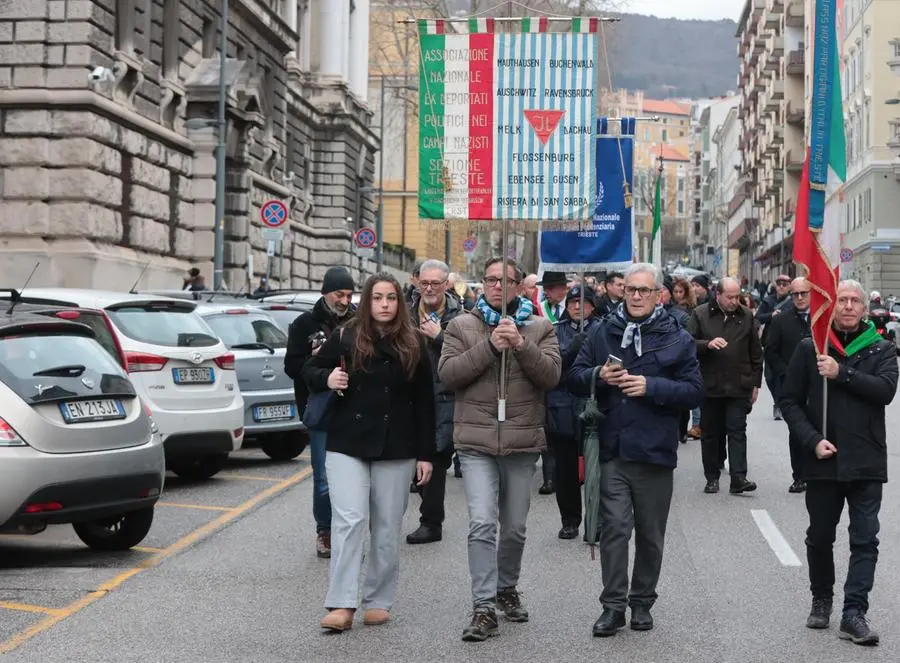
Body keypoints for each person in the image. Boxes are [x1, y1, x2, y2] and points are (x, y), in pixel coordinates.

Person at [569, 263, 702, 637]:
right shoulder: (602, 331)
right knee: (613, 530)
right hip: (613, 448)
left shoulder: (677, 336)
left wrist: (652, 386)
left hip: (656, 450)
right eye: (631, 290)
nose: (637, 296)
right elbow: (574, 378)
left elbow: (693, 390)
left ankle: (641, 601)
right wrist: (598, 376)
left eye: (645, 290)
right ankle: (612, 606)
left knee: (650, 533)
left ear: (659, 294)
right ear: (622, 292)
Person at [303, 273, 436, 632]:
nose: (384, 305)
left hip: (397, 446)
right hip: (348, 442)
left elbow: (426, 404)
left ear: (399, 303)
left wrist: (427, 454)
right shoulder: (346, 335)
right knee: (349, 522)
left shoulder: (414, 343)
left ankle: (378, 600)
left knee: (387, 526)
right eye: (377, 298)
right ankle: (342, 603)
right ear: (367, 301)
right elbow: (309, 369)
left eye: (390, 298)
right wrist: (328, 378)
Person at [439, 257, 561, 642]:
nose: (495, 286)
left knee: (515, 527)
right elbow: (448, 375)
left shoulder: (540, 327)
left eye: (504, 280)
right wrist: (490, 347)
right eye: (490, 279)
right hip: (475, 442)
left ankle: (506, 587)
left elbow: (551, 377)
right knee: (480, 523)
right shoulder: (461, 326)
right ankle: (483, 606)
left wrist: (521, 345)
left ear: (518, 286)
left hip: (522, 441)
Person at [781, 280, 898, 646]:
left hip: (865, 460)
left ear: (864, 309)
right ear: (830, 308)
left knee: (865, 540)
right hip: (823, 461)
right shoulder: (809, 348)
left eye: (854, 301)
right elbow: (789, 402)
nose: (847, 306)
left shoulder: (881, 348)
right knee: (820, 536)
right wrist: (811, 440)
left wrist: (841, 373)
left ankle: (854, 613)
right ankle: (821, 598)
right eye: (841, 301)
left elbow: (885, 391)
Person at [283, 266, 355, 558]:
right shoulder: (304, 324)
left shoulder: (357, 322)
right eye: (340, 294)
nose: (345, 300)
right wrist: (313, 359)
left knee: (353, 475)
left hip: (353, 408)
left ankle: (347, 530)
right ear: (326, 292)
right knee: (324, 475)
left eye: (349, 295)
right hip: (321, 408)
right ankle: (324, 531)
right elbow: (291, 367)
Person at [406, 260, 464, 545]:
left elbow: (467, 357)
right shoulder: (405, 312)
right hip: (409, 396)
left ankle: (431, 522)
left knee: (437, 459)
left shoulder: (460, 316)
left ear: (446, 285)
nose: (428, 289)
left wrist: (439, 337)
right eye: (424, 283)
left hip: (443, 397)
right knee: (410, 456)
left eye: (435, 284)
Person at [688, 277, 763, 495]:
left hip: (739, 384)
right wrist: (707, 344)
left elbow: (756, 352)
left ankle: (739, 477)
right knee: (710, 432)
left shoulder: (746, 315)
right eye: (729, 297)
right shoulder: (701, 314)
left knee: (737, 431)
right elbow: (687, 343)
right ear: (718, 295)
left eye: (737, 296)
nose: (734, 301)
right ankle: (712, 477)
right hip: (710, 384)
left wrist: (755, 383)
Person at [546, 286, 597, 540]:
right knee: (565, 470)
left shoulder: (603, 329)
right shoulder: (554, 331)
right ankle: (570, 519)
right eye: (573, 302)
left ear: (593, 307)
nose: (578, 307)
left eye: (584, 302)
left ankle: (596, 519)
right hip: (562, 406)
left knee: (596, 467)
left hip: (593, 405)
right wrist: (571, 351)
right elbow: (550, 368)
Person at [763, 277, 811, 493]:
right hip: (792, 386)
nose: (799, 298)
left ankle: (817, 475)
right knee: (797, 430)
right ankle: (799, 476)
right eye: (795, 294)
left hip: (820, 384)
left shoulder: (824, 317)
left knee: (820, 428)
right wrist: (786, 372)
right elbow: (770, 350)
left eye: (803, 293)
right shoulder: (781, 319)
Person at [534, 270, 568, 494]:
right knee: (547, 427)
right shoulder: (537, 309)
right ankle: (549, 478)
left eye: (550, 287)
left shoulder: (576, 306)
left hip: (569, 376)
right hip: (545, 371)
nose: (545, 291)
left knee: (566, 429)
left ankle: (571, 473)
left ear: (563, 289)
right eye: (544, 287)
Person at [757, 274, 792, 419]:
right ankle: (777, 401)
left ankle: (781, 404)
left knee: (784, 376)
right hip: (770, 343)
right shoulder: (768, 300)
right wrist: (771, 315)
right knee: (770, 377)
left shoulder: (792, 301)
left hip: (787, 344)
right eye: (779, 284)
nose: (782, 287)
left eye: (785, 284)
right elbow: (758, 317)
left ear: (789, 286)